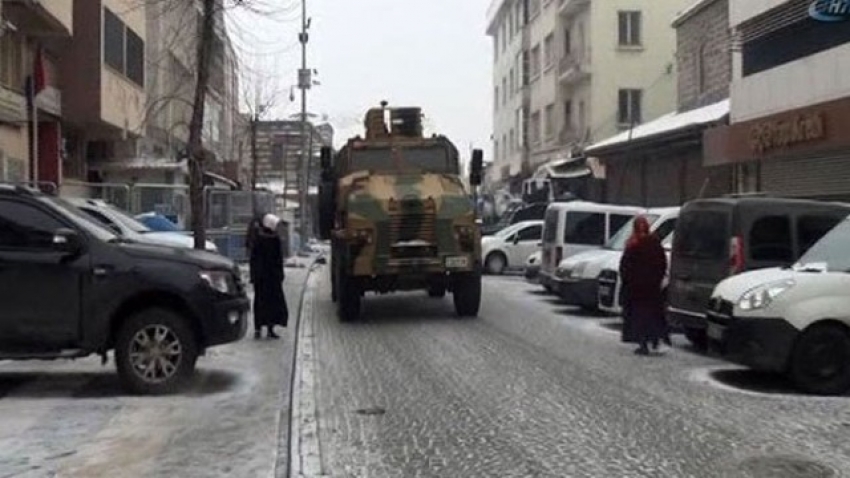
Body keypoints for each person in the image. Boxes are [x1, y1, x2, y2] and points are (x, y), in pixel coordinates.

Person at [619, 216, 670, 355]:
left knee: (641, 317)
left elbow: (625, 266)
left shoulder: (634, 243)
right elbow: (662, 263)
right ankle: (652, 341)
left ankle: (645, 343)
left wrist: (628, 281)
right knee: (651, 317)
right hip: (648, 288)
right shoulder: (651, 242)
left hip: (640, 289)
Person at [247, 213, 288, 339]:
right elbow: (278, 260)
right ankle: (270, 328)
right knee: (272, 303)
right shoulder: (274, 240)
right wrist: (280, 274)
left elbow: (253, 259)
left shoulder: (258, 239)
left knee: (260, 303)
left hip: (261, 278)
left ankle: (258, 329)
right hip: (272, 278)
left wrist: (253, 275)